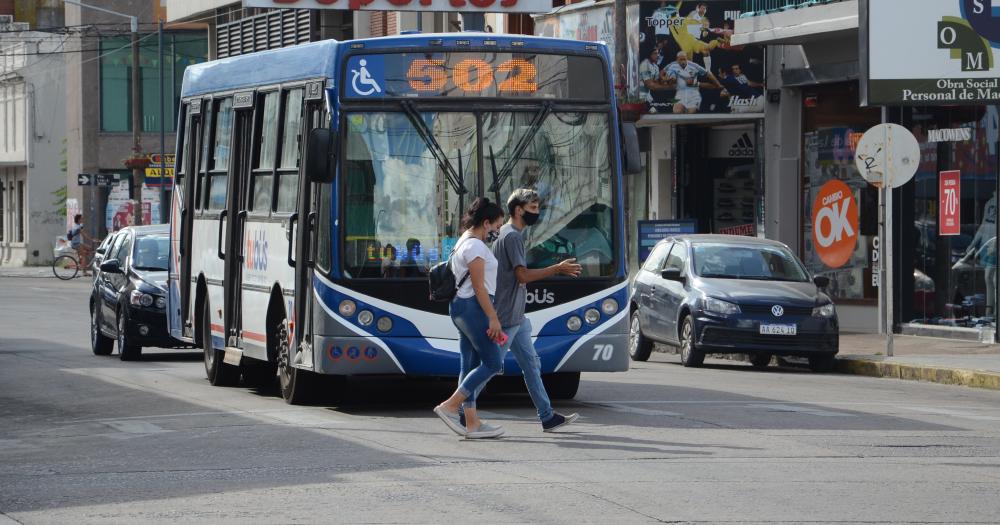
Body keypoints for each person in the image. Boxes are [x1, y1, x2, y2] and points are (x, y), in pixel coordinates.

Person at [487, 188, 583, 432]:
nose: (536, 213)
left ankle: (547, 416)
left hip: (516, 316)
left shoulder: (506, 233)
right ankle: (460, 408)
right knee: (488, 366)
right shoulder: (512, 237)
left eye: (538, 208)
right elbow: (522, 276)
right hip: (507, 316)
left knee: (531, 365)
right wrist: (557, 269)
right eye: (532, 208)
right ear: (518, 210)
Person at [433, 198, 507, 439]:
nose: (498, 231)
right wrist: (493, 317)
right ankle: (450, 406)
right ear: (486, 223)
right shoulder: (475, 246)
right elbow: (479, 287)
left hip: (461, 308)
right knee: (493, 363)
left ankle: (472, 422)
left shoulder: (463, 241)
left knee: (470, 364)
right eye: (497, 225)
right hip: (474, 308)